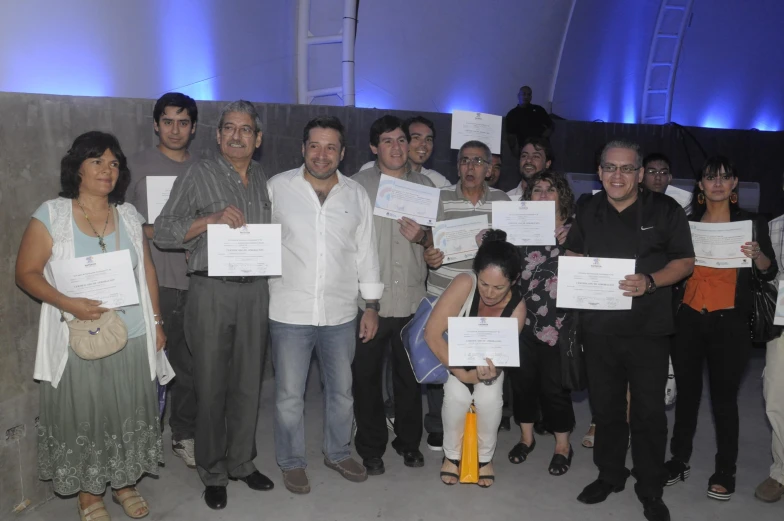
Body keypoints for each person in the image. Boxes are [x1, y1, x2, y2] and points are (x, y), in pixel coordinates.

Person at [16, 131, 168, 520]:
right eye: (97, 161)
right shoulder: (52, 214)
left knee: (125, 412)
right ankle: (88, 493)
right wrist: (68, 303)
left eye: (114, 163)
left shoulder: (130, 216)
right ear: (77, 167)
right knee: (86, 416)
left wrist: (156, 322)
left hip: (131, 336)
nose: (107, 170)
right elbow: (26, 273)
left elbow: (147, 269)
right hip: (78, 340)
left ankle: (123, 483)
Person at [564, 140, 695, 521]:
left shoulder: (665, 209)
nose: (617, 176)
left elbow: (684, 262)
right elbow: (573, 253)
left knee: (649, 412)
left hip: (648, 330)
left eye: (626, 169)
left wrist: (650, 281)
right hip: (599, 328)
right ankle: (610, 474)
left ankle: (650, 486)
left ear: (639, 174)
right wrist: (575, 270)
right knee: (605, 408)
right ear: (600, 172)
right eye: (609, 168)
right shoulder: (588, 208)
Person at [154, 100, 274, 510]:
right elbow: (165, 231)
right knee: (210, 383)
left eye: (245, 129)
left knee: (247, 382)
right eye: (229, 128)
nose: (237, 135)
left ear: (258, 139)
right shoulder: (197, 173)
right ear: (218, 134)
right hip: (211, 291)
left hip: (255, 289)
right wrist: (209, 221)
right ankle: (213, 471)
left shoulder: (262, 178)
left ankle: (242, 462)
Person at [267, 116, 384, 495]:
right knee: (288, 395)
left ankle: (337, 452)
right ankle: (291, 462)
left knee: (342, 391)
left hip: (340, 313)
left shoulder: (355, 194)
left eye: (330, 147)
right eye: (314, 146)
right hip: (289, 311)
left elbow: (367, 251)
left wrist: (371, 304)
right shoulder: (277, 189)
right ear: (303, 148)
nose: (322, 154)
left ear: (343, 153)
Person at [665, 156, 777, 502]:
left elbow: (769, 272)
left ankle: (725, 469)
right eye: (710, 178)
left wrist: (757, 254)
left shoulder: (752, 223)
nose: (717, 183)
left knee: (725, 401)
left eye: (724, 178)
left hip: (730, 321)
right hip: (688, 317)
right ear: (700, 186)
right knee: (686, 396)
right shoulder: (686, 221)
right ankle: (679, 458)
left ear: (734, 185)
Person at [351, 116, 432, 475]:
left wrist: (424, 239)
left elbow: (438, 246)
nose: (397, 147)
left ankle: (409, 442)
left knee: (410, 379)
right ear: (374, 147)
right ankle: (370, 446)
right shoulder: (356, 187)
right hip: (369, 303)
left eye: (402, 140)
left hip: (413, 300)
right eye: (388, 141)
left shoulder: (426, 186)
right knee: (365, 379)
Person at [423, 140, 510, 451]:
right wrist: (429, 254)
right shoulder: (441, 198)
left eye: (477, 161)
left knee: (481, 361)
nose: (470, 167)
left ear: (489, 169)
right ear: (457, 166)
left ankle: (480, 422)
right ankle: (436, 425)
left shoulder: (501, 201)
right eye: (464, 161)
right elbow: (429, 241)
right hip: (443, 291)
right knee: (441, 362)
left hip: (484, 298)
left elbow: (509, 248)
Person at [127, 92, 198, 469]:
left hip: (195, 282)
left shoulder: (204, 169)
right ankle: (144, 439)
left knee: (189, 366)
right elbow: (120, 221)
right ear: (156, 124)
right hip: (151, 283)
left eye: (183, 122)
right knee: (148, 368)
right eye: (167, 121)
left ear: (194, 128)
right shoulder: (133, 165)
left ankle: (184, 436)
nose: (175, 129)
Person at [425, 229, 526, 487]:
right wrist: (462, 373)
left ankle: (484, 458)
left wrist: (487, 374)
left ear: (513, 282)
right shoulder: (464, 283)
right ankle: (452, 455)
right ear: (476, 275)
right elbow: (433, 333)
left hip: (490, 365)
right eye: (484, 284)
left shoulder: (517, 309)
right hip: (453, 356)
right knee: (457, 397)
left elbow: (501, 358)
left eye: (499, 287)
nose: (490, 293)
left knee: (489, 399)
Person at [506, 171, 576, 476]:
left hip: (558, 323)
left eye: (551, 189)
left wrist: (576, 240)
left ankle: (563, 445)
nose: (544, 195)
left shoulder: (576, 229)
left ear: (562, 196)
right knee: (522, 384)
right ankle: (526, 438)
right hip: (520, 320)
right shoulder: (517, 228)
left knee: (554, 387)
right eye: (537, 190)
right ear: (528, 195)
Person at [758, 189, 784, 502]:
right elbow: (770, 277)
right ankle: (780, 472)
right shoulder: (775, 226)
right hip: (783, 321)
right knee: (775, 396)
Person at [360, 116, 451, 188]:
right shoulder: (368, 171)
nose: (423, 144)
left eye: (428, 139)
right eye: (416, 137)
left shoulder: (434, 182)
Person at [505, 85, 554, 158]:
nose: (526, 97)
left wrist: (545, 136)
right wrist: (516, 152)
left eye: (529, 94)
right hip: (525, 148)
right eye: (524, 94)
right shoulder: (512, 114)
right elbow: (510, 136)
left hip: (541, 147)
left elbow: (551, 125)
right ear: (519, 96)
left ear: (531, 97)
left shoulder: (538, 110)